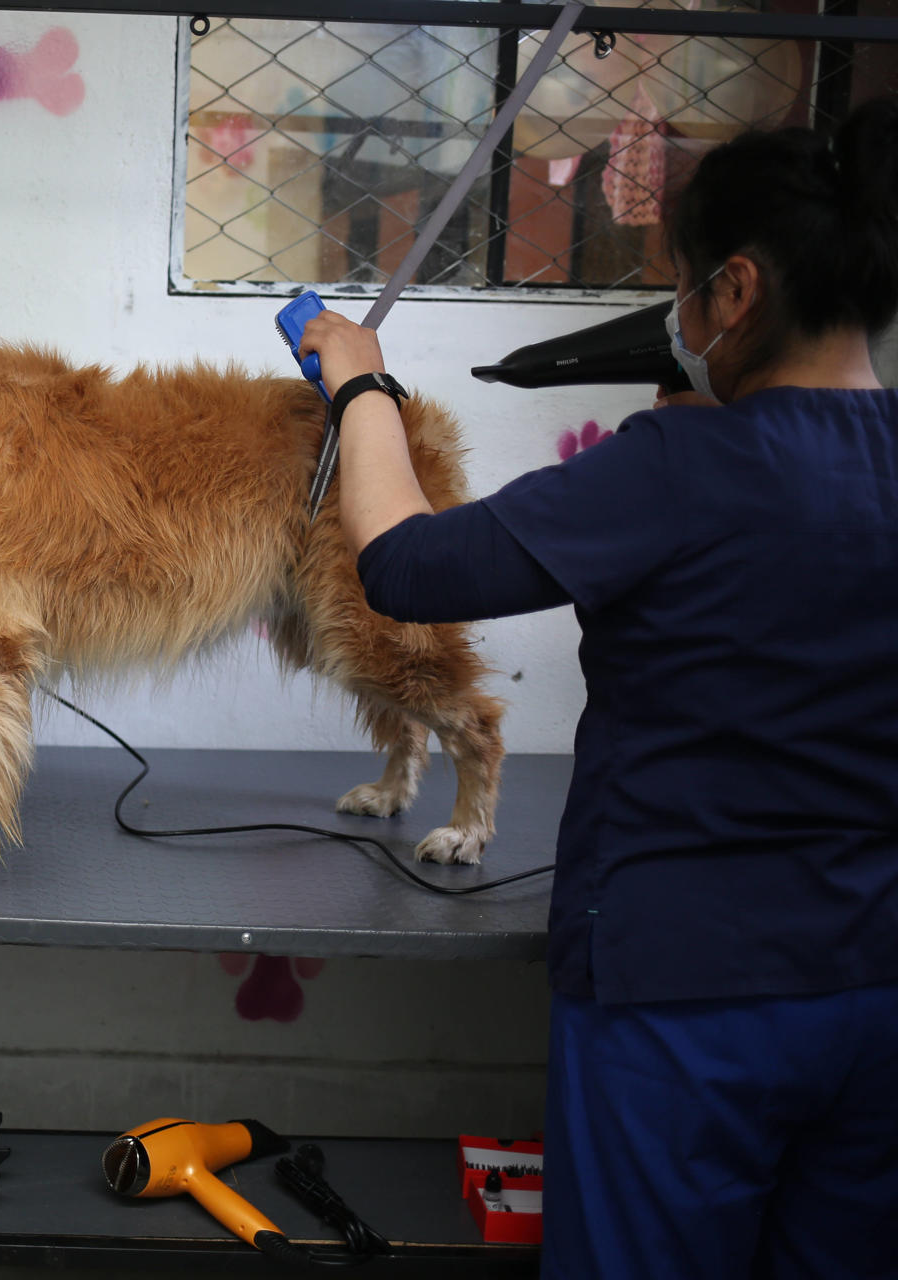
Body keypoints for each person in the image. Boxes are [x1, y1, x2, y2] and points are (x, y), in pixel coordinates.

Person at [297, 98, 898, 1279]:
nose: (673, 316)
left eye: (677, 286)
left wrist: (364, 388)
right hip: (876, 992)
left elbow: (406, 566)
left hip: (682, 1003)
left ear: (732, 293)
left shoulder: (676, 467)